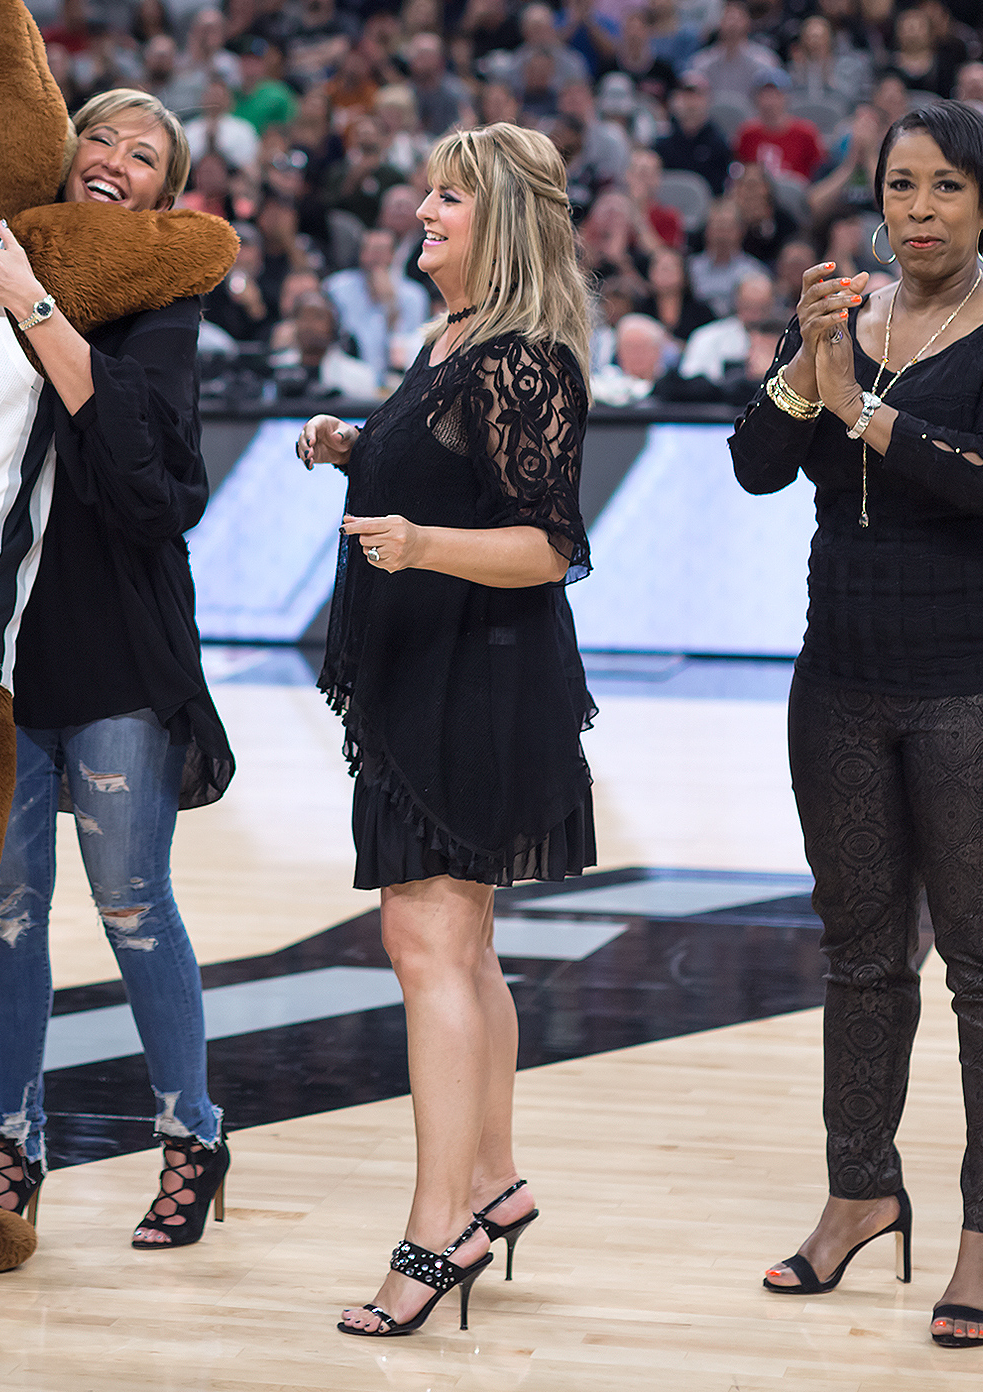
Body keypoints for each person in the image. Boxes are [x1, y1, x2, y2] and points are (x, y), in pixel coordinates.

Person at [730, 101, 983, 1347]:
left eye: (944, 187)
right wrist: (805, 372)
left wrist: (860, 408)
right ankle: (860, 1191)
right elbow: (755, 465)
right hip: (843, 675)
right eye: (898, 186)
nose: (917, 209)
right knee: (861, 954)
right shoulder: (835, 319)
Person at [0, 91, 237, 1248]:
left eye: (145, 156)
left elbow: (152, 485)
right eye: (103, 138)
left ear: (163, 197)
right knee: (4, 916)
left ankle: (191, 1132)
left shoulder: (163, 305)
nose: (116, 160)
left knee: (133, 904)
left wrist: (33, 305)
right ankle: (12, 1141)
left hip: (117, 648)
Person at [296, 122, 596, 1337]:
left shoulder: (526, 360)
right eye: (428, 192)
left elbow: (546, 544)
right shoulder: (447, 340)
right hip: (429, 668)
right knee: (459, 949)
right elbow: (449, 473)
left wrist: (418, 543)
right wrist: (356, 451)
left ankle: (437, 1234)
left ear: (503, 223)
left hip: (481, 676)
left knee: (428, 943)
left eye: (450, 197)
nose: (423, 210)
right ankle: (494, 1181)